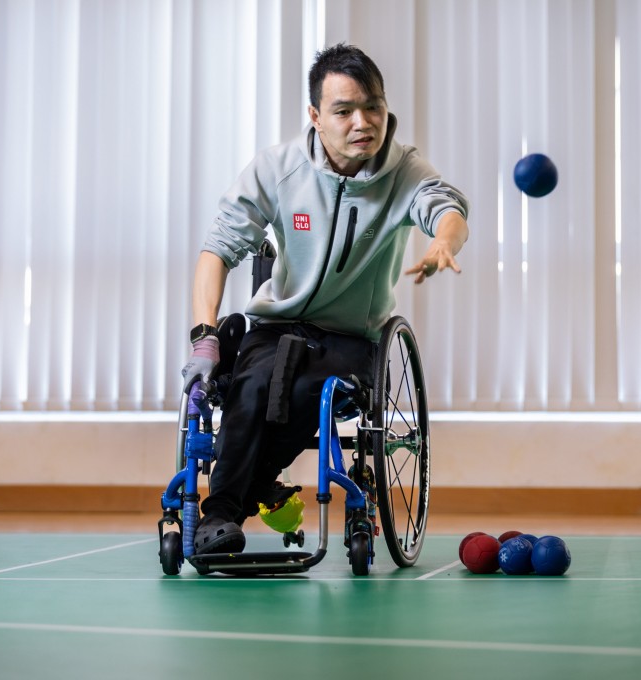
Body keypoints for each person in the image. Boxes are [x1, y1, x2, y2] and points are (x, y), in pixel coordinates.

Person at [181, 43, 470, 555]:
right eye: (344, 110)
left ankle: (227, 508)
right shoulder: (279, 168)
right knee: (250, 389)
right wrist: (204, 336)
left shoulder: (404, 171)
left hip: (350, 337)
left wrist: (444, 241)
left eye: (373, 106)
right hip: (277, 327)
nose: (363, 122)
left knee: (300, 395)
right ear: (316, 116)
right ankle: (226, 515)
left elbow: (444, 206)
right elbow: (218, 249)